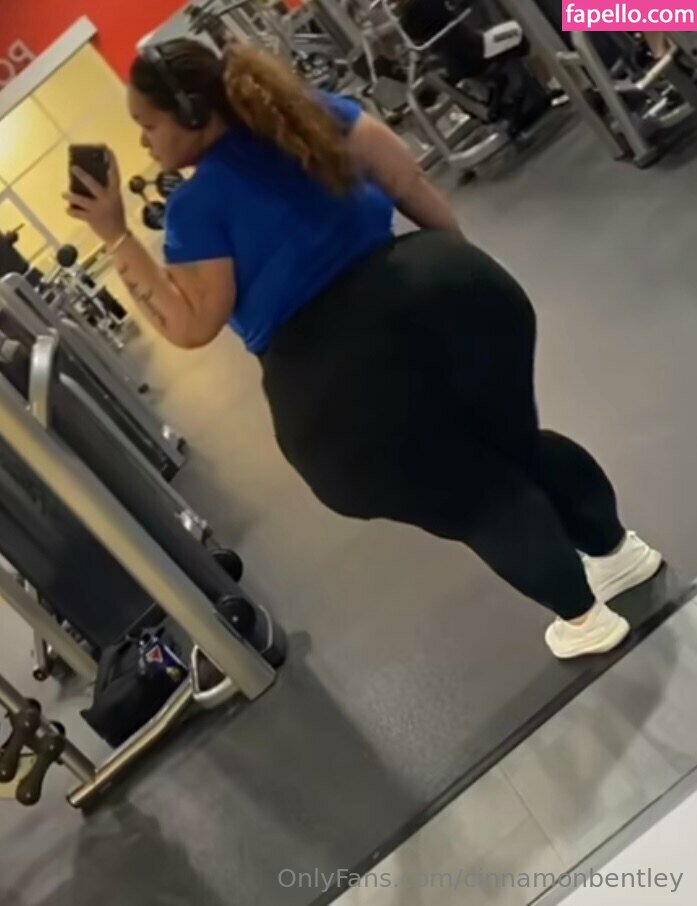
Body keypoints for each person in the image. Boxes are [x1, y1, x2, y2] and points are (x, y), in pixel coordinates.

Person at [65, 38, 662, 659]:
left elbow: (192, 325)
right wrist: (459, 275)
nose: (143, 142)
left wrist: (115, 234)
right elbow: (412, 185)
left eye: (148, 125)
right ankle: (619, 553)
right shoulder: (314, 114)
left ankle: (583, 618)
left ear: (191, 113)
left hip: (341, 377)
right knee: (516, 443)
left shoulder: (196, 208)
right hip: (452, 287)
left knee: (474, 493)